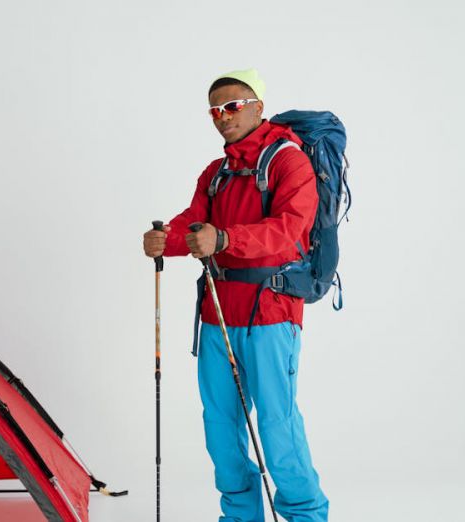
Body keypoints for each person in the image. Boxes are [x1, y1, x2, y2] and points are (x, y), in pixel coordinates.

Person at [142, 69, 330, 522]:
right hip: (217, 317)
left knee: (276, 427)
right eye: (215, 110)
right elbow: (194, 222)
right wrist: (163, 239)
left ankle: (307, 516)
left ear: (258, 107)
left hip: (271, 314)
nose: (222, 117)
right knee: (222, 430)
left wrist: (224, 241)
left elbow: (289, 233)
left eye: (232, 106)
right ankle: (240, 517)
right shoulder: (217, 172)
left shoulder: (289, 162)